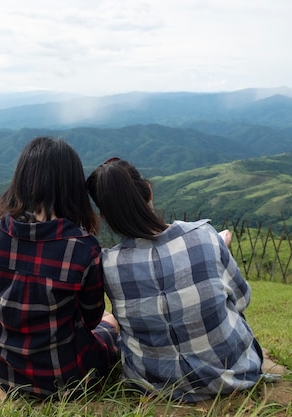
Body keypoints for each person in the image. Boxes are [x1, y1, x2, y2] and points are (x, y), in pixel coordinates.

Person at [86, 158, 263, 403]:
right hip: (233, 374)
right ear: (148, 190)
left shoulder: (107, 264)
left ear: (105, 216)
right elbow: (243, 299)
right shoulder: (205, 236)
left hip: (152, 384)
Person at [0, 137, 119, 399]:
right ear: (72, 187)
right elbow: (92, 318)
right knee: (111, 325)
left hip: (7, 373)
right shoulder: (82, 247)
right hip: (68, 376)